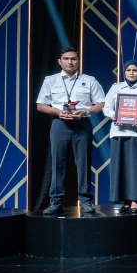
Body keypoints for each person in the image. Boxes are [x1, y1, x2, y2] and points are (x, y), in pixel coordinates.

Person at [36, 46, 105, 215]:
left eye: (73, 59)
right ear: (59, 62)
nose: (70, 62)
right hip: (59, 124)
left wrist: (85, 111)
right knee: (57, 162)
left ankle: (85, 201)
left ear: (78, 61)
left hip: (82, 123)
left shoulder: (89, 80)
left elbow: (101, 103)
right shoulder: (51, 80)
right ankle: (56, 201)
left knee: (83, 162)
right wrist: (57, 112)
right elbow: (40, 105)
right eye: (66, 59)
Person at [102, 61, 137, 212]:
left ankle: (136, 199)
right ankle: (125, 200)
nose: (132, 73)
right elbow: (106, 108)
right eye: (128, 70)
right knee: (122, 167)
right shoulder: (116, 88)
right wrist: (115, 116)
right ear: (124, 72)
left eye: (135, 70)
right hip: (119, 133)